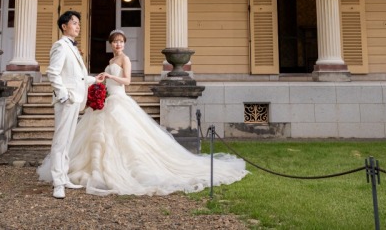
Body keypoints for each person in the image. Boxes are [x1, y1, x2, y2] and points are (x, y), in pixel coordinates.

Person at [37, 29, 248, 196]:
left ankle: (124, 169)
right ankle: (80, 171)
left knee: (126, 137)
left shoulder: (125, 60)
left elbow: (127, 81)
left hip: (120, 100)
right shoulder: (111, 61)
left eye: (121, 41)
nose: (118, 44)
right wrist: (99, 83)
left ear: (124, 43)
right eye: (115, 41)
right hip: (108, 100)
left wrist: (110, 79)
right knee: (98, 138)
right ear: (111, 44)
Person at [45, 10, 104, 199]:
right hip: (67, 100)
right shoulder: (60, 46)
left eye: (79, 23)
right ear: (64, 26)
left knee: (68, 141)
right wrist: (63, 96)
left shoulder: (71, 47)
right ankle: (57, 183)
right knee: (60, 142)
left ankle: (64, 177)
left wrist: (95, 80)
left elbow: (76, 77)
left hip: (75, 99)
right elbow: (53, 73)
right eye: (74, 23)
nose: (78, 26)